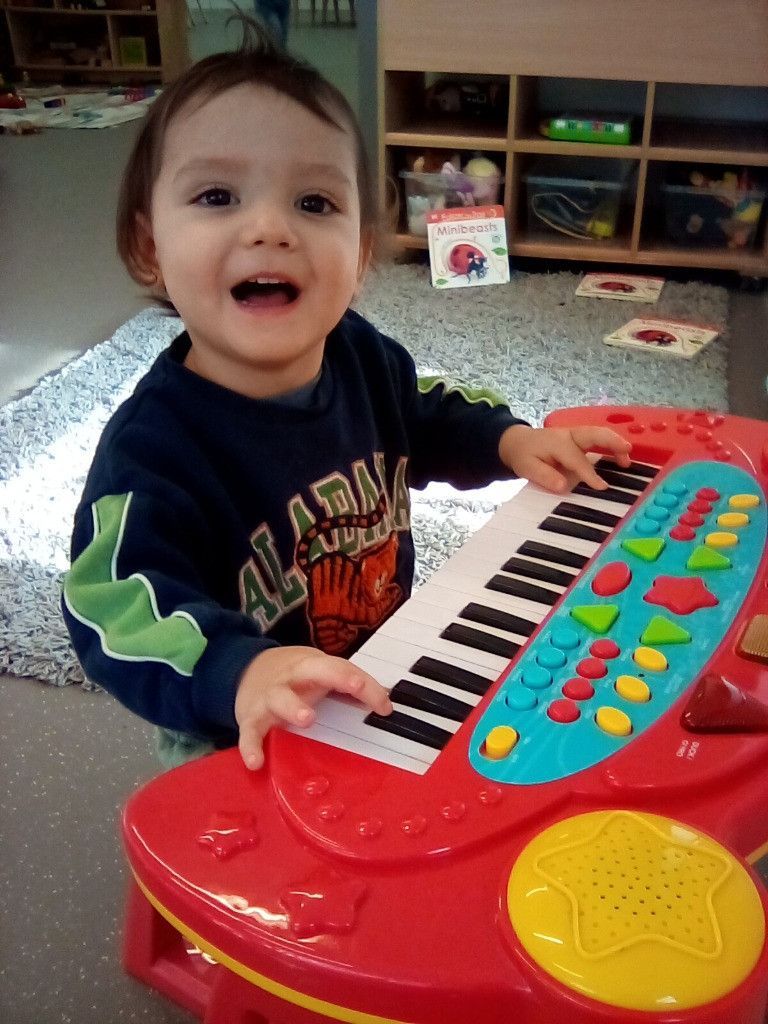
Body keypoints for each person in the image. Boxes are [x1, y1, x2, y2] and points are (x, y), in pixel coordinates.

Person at [61, 22, 632, 773]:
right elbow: (113, 605)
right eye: (217, 195)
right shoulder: (154, 448)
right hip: (239, 734)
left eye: (315, 203)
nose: (270, 228)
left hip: (374, 670)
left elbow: (423, 411)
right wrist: (239, 672)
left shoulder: (360, 355)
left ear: (362, 253)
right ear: (149, 249)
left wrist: (507, 440)